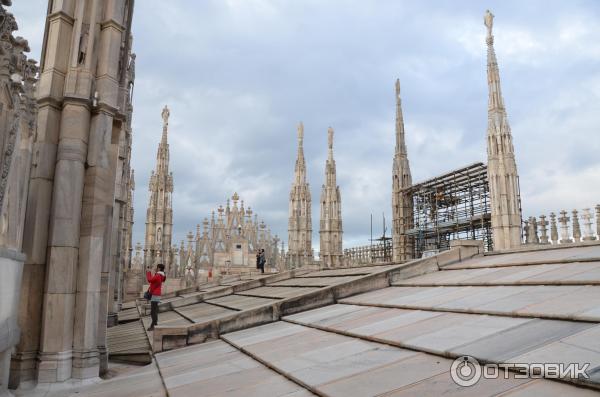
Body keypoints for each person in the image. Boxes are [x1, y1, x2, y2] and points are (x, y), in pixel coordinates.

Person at [146, 263, 166, 331]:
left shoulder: (158, 275)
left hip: (155, 295)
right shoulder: (160, 275)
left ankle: (153, 326)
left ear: (159, 268)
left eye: (157, 267)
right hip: (157, 294)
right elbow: (153, 280)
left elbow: (149, 280)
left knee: (153, 311)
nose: (156, 268)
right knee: (154, 310)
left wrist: (148, 272)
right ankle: (155, 323)